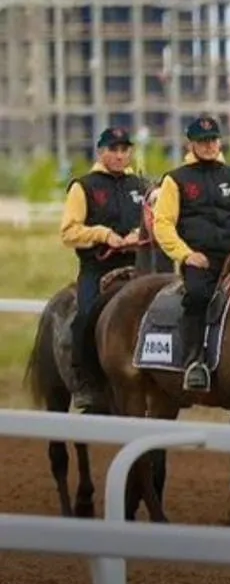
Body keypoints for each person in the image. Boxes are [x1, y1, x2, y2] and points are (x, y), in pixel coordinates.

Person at [151, 115, 230, 392]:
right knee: (199, 297)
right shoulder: (175, 180)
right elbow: (163, 223)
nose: (209, 146)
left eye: (213, 140)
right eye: (203, 141)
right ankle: (195, 362)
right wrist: (185, 255)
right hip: (199, 259)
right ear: (191, 144)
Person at [60, 126, 148, 412]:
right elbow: (69, 232)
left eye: (125, 150)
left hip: (137, 266)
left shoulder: (140, 185)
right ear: (101, 152)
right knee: (85, 315)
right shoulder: (83, 186)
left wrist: (140, 233)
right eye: (114, 149)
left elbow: (156, 221)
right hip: (97, 268)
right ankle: (84, 380)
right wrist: (102, 234)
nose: (120, 155)